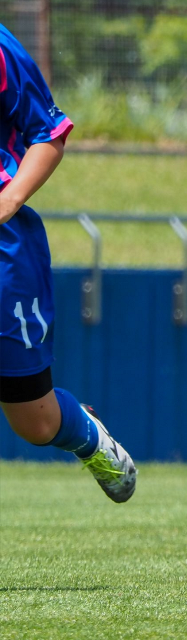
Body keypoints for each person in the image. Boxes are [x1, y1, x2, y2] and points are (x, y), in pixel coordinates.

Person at [0, 25, 138, 501]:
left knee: (34, 422)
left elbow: (47, 132)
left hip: (5, 252)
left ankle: (88, 437)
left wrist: (11, 197)